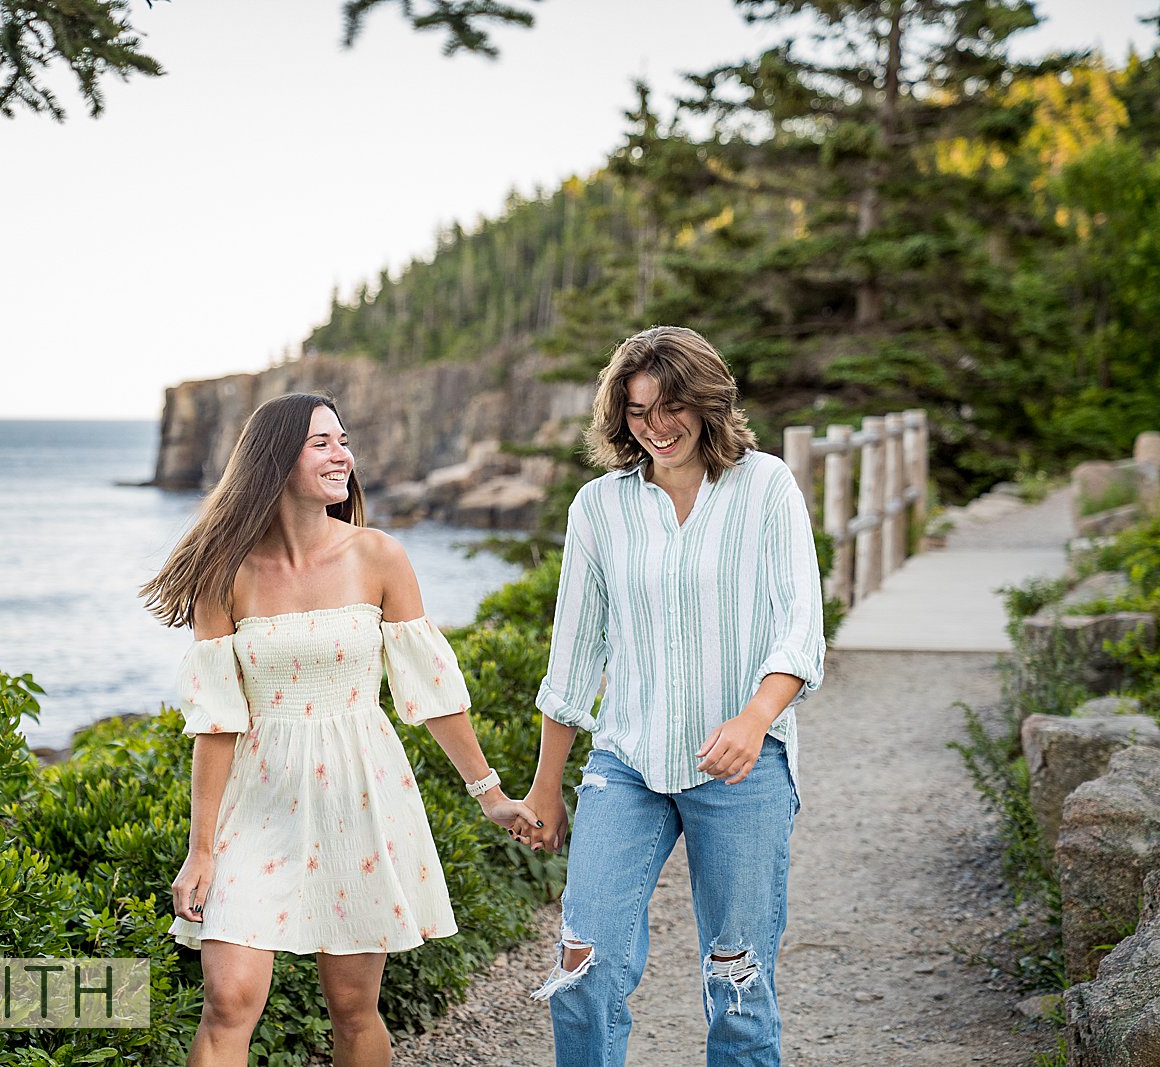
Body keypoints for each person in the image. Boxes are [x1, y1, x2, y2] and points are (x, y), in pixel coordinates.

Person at [141, 391, 538, 1067]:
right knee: (228, 997)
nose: (342, 455)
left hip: (360, 792)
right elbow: (216, 724)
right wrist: (201, 849)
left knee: (353, 1008)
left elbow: (431, 691)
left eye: (343, 440)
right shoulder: (223, 572)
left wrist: (490, 792)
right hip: (257, 800)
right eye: (321, 442)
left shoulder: (378, 556)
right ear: (274, 458)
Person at [518, 326, 825, 1067]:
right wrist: (546, 786)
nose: (656, 426)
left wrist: (756, 719)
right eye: (637, 411)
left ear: (709, 401)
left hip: (744, 767)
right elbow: (574, 653)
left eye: (671, 405)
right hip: (627, 761)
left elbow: (800, 625)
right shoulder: (599, 507)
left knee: (739, 983)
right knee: (582, 967)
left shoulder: (767, 487)